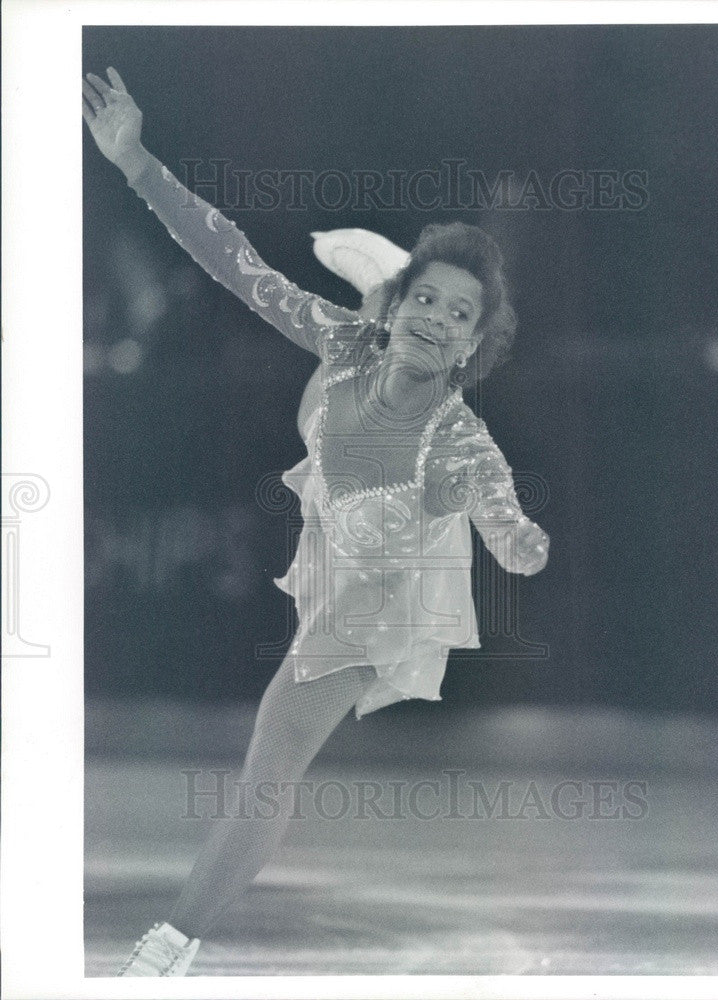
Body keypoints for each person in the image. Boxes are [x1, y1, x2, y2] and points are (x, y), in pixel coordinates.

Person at [82, 67, 550, 977]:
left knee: (269, 773)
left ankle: (168, 947)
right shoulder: (353, 342)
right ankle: (374, 270)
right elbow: (235, 262)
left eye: (461, 315)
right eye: (425, 298)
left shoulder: (462, 437)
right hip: (339, 512)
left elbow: (513, 535)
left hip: (379, 598)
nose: (438, 320)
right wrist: (135, 161)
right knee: (325, 387)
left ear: (473, 343)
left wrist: (513, 533)